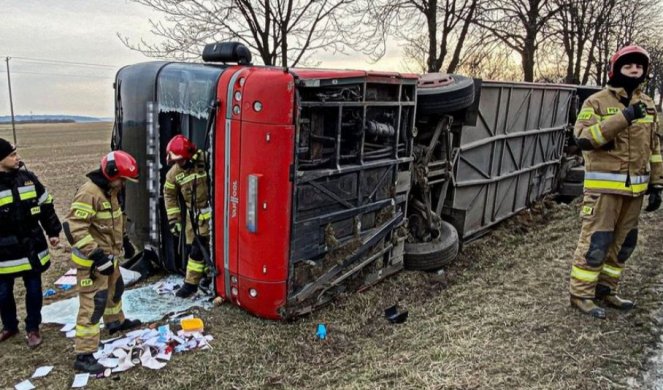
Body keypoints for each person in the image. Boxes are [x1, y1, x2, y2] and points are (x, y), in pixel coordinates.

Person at [569, 44, 662, 319]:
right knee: (596, 241)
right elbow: (585, 138)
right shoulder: (596, 102)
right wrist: (623, 118)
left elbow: (654, 147)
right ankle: (581, 295)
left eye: (639, 67)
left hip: (635, 191)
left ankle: (606, 290)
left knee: (623, 243)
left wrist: (657, 184)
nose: (635, 70)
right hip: (603, 191)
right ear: (616, 70)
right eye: (628, 66)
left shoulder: (647, 104)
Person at [65, 150, 142, 373]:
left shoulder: (111, 191)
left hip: (109, 257)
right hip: (92, 263)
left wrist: (124, 242)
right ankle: (84, 354)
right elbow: (74, 228)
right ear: (110, 173)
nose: (123, 185)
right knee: (94, 304)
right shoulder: (90, 193)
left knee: (114, 291)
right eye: (123, 180)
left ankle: (114, 323)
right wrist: (97, 256)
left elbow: (113, 221)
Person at [0, 138, 61, 347]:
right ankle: (9, 326)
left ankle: (33, 328)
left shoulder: (28, 179)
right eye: (12, 155)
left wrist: (53, 231)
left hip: (31, 247)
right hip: (4, 252)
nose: (17, 158)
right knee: (3, 293)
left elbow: (46, 204)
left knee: (34, 290)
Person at [163, 135, 211, 298]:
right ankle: (206, 278)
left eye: (182, 160)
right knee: (195, 250)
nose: (180, 164)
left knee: (200, 250)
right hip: (194, 219)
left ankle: (191, 285)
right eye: (177, 161)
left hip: (213, 216)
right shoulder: (173, 174)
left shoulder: (204, 159)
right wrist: (174, 220)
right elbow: (169, 195)